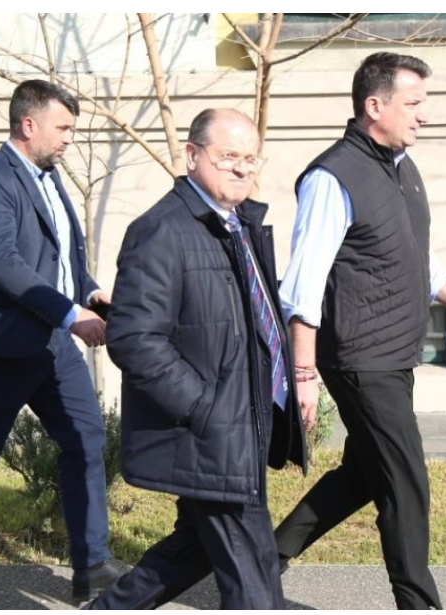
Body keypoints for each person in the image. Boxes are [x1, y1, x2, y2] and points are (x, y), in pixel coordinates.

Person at [273, 52, 446, 610]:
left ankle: (264, 557)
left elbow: (416, 253)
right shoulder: (331, 178)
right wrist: (303, 372)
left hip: (395, 353)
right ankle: (417, 603)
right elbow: (303, 285)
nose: (424, 114)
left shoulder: (401, 167)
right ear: (375, 106)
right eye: (413, 103)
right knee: (405, 481)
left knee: (365, 472)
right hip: (359, 356)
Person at [86, 108, 306, 610]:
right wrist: (205, 409)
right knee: (256, 588)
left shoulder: (237, 224)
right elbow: (134, 339)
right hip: (211, 432)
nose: (242, 168)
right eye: (228, 156)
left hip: (240, 427)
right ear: (192, 155)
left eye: (250, 158)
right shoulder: (162, 230)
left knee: (191, 551)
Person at [0, 79, 127, 609]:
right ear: (28, 124)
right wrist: (71, 315)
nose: (69, 138)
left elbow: (58, 258)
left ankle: (93, 567)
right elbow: (4, 264)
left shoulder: (49, 177)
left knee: (85, 443)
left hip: (51, 346)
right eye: (63, 128)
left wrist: (88, 290)